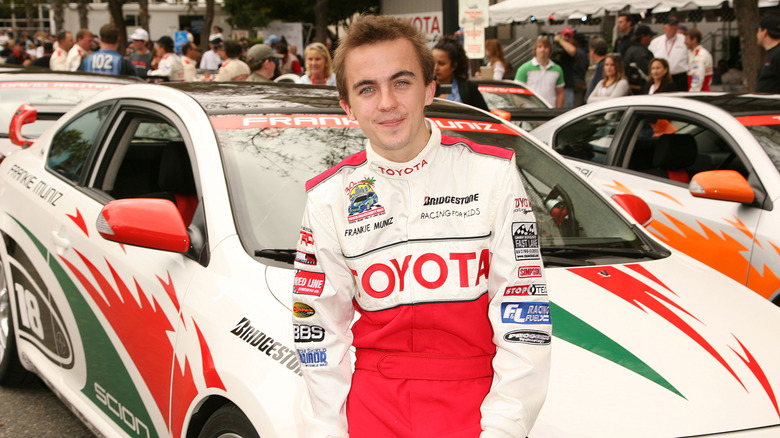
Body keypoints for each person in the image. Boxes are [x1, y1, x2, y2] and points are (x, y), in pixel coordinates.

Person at [293, 13, 551, 438]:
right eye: (367, 88)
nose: (387, 102)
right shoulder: (328, 197)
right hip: (372, 410)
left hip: (477, 408)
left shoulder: (493, 174)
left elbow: (524, 316)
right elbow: (319, 333)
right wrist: (327, 431)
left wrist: (503, 428)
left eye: (401, 82)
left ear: (430, 89)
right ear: (348, 106)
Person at [432, 35, 489, 111]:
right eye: (432, 62)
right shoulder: (423, 87)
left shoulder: (468, 89)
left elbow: (484, 116)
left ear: (454, 65)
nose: (436, 68)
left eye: (441, 63)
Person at [516, 37, 565, 108]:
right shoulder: (524, 68)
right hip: (530, 110)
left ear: (550, 50)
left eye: (546, 47)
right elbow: (517, 92)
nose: (543, 50)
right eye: (540, 47)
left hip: (550, 109)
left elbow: (560, 93)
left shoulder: (557, 69)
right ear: (535, 50)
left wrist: (557, 111)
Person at [649, 16, 689, 91]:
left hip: (680, 77)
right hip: (662, 78)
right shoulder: (656, 42)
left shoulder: (684, 40)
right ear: (664, 28)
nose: (673, 27)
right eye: (671, 25)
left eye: (675, 25)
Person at [624, 25, 656, 94]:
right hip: (640, 88)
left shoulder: (630, 49)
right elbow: (648, 70)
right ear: (643, 36)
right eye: (650, 36)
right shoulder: (640, 52)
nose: (651, 38)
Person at [553, 27, 579, 108]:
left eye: (569, 36)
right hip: (554, 85)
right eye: (565, 35)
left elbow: (572, 51)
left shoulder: (571, 48)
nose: (567, 38)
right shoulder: (556, 48)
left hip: (567, 86)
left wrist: (560, 40)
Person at [754, 15, 780, 93]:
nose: (757, 34)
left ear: (764, 32)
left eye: (758, 31)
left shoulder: (778, 54)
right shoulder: (773, 53)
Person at [684, 28, 713, 92]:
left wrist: (692, 94)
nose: (685, 42)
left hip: (700, 93)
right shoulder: (694, 53)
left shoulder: (699, 55)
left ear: (694, 40)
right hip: (702, 91)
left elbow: (697, 77)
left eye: (686, 39)